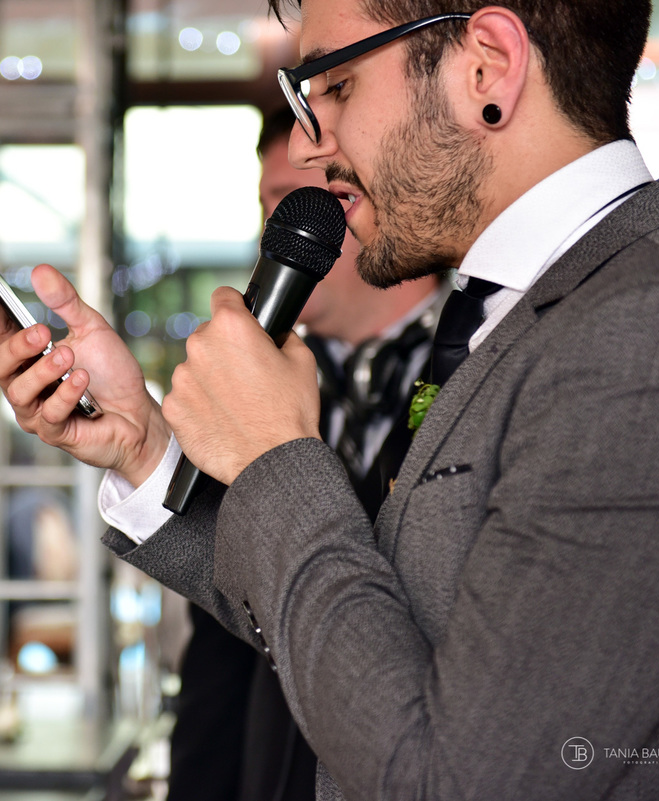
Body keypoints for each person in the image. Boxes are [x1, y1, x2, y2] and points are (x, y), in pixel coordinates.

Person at [0, 0, 659, 797]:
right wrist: (147, 450)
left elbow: (462, 779)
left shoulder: (654, 331)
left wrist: (273, 452)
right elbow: (366, 626)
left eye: (337, 84)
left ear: (487, 67)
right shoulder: (523, 307)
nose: (305, 143)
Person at [167, 105, 445, 801]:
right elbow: (220, 655)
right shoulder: (248, 384)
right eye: (272, 203)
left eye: (306, 200)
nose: (280, 225)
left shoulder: (473, 361)